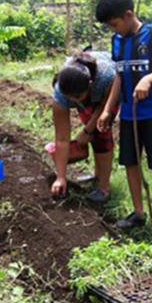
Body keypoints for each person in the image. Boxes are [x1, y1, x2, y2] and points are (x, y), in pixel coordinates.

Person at [94, 0, 152, 238]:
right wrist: (107, 110)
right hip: (127, 115)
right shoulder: (117, 41)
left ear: (128, 14)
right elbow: (119, 77)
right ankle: (138, 212)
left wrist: (149, 79)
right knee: (130, 163)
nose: (114, 30)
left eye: (115, 24)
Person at [50, 51, 119, 203]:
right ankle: (97, 176)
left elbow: (104, 106)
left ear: (90, 85)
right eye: (70, 99)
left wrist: (88, 129)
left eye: (78, 98)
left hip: (114, 91)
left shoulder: (106, 77)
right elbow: (61, 138)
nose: (73, 101)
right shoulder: (60, 93)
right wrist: (61, 177)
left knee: (101, 133)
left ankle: (103, 187)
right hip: (91, 93)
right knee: (91, 132)